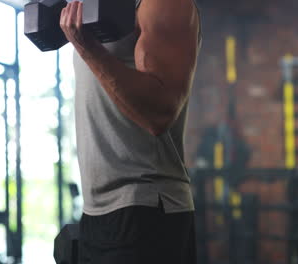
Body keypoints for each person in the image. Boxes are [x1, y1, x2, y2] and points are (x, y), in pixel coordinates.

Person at [59, 0, 201, 263]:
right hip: (96, 212)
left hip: (145, 208)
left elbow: (160, 113)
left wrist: (86, 47)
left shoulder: (162, 4)